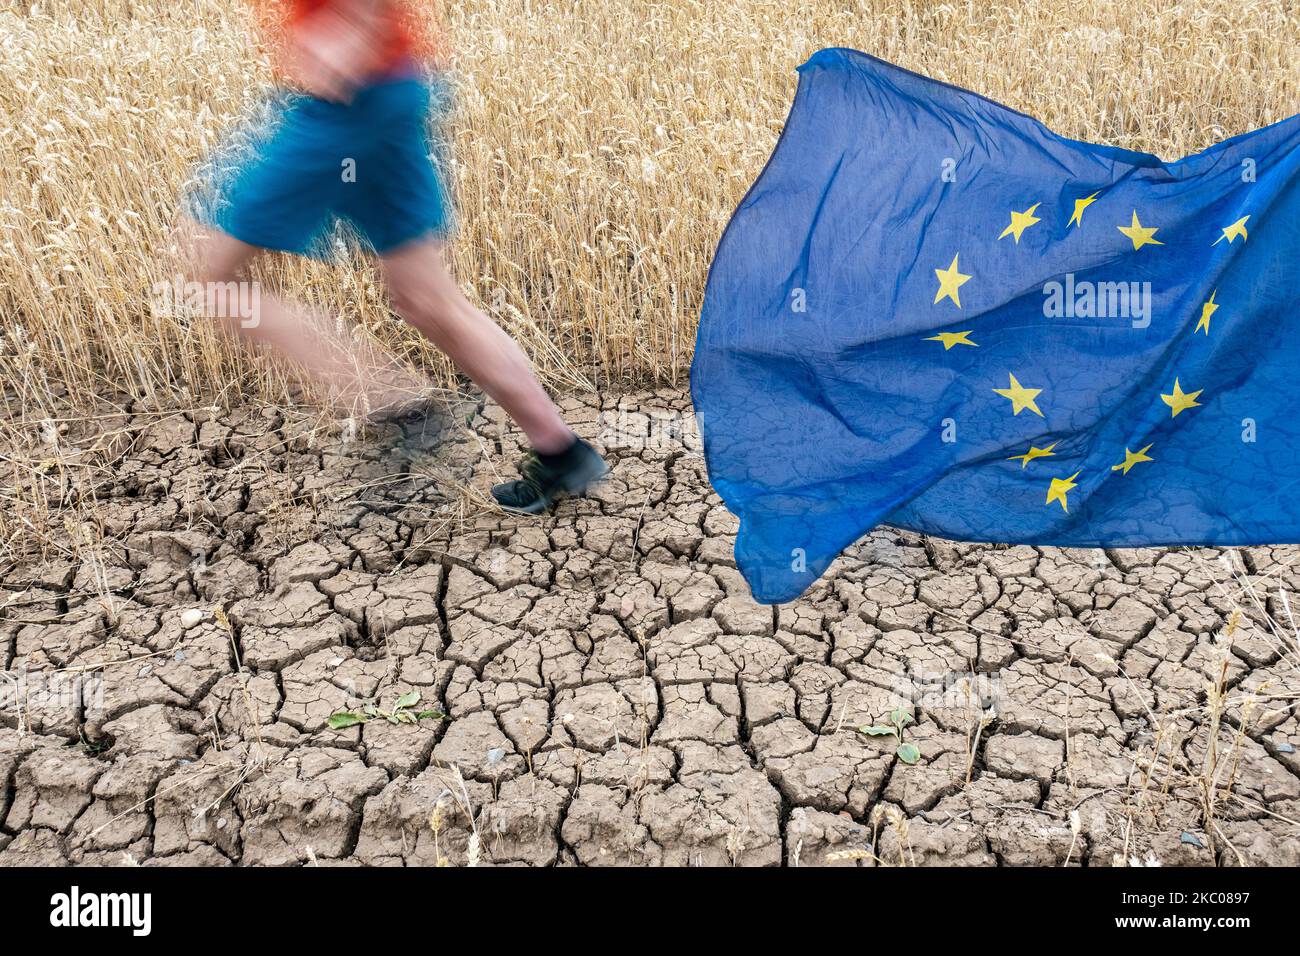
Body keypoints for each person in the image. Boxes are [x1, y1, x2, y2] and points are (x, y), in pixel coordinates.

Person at [181, 0, 608, 514]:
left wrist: (349, 32)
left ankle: (394, 402)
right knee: (426, 299)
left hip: (343, 100)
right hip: (392, 90)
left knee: (207, 278)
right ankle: (562, 451)